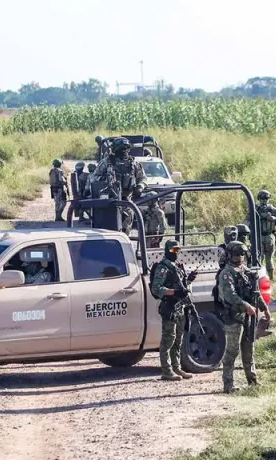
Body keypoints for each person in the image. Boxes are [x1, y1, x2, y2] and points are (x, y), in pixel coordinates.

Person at [219, 241, 271, 393]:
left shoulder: (245, 270)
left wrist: (265, 308)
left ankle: (253, 381)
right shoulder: (226, 273)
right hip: (234, 316)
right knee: (232, 351)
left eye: (242, 254)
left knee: (249, 350)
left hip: (248, 317)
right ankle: (228, 385)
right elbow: (230, 295)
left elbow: (255, 291)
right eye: (236, 254)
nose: (239, 257)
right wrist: (246, 306)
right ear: (229, 254)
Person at [152, 240, 198, 381]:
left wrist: (189, 280)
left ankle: (176, 368)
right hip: (170, 307)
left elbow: (182, 288)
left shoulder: (177, 266)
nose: (175, 253)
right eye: (173, 251)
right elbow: (156, 288)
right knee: (168, 340)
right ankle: (166, 370)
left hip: (180, 307)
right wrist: (174, 292)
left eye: (177, 250)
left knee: (178, 340)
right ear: (167, 251)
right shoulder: (163, 267)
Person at [93, 137, 148, 233]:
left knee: (125, 230)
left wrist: (140, 187)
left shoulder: (134, 163)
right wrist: (106, 180)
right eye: (121, 149)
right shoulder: (107, 162)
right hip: (110, 201)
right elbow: (94, 177)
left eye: (126, 148)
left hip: (127, 201)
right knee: (108, 230)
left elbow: (143, 178)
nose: (124, 151)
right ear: (115, 150)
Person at [254, 190, 276, 280]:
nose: (264, 200)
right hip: (258, 236)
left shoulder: (273, 210)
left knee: (269, 259)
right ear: (259, 199)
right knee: (259, 258)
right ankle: (260, 278)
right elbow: (248, 222)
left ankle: (271, 278)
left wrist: (274, 219)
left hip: (269, 236)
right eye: (262, 198)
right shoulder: (255, 209)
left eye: (266, 198)